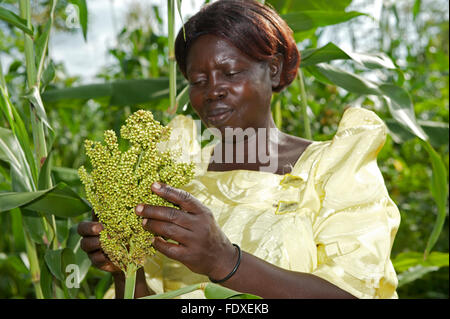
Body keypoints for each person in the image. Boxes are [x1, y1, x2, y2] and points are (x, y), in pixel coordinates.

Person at [77, 0, 400, 299]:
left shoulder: (336, 168)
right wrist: (123, 268)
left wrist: (224, 261)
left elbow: (355, 292)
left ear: (273, 69)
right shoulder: (171, 176)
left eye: (230, 73)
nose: (213, 91)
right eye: (198, 80)